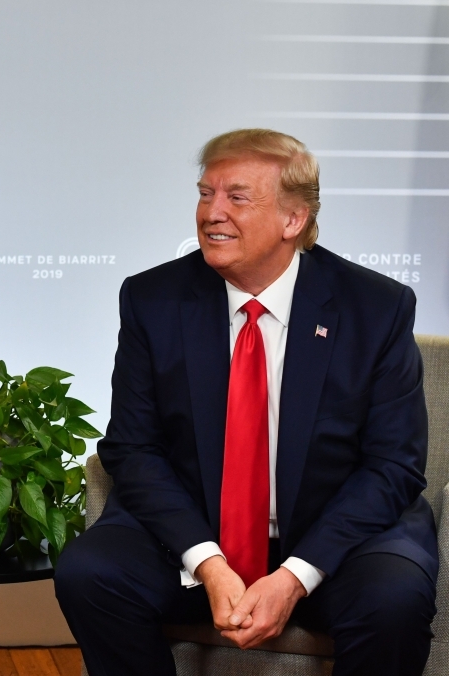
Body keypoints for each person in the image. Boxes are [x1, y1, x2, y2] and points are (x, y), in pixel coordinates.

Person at [54, 129, 438, 676]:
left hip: (332, 542)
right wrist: (209, 563)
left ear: (293, 220)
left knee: (393, 598)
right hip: (194, 537)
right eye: (205, 193)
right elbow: (133, 448)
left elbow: (393, 466)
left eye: (236, 197)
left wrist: (294, 576)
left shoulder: (375, 308)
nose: (212, 213)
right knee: (89, 573)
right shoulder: (153, 299)